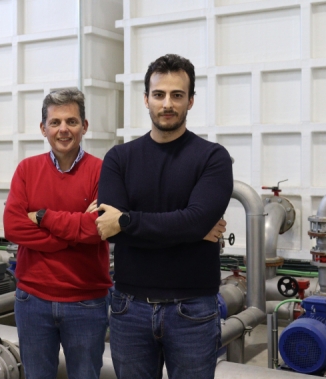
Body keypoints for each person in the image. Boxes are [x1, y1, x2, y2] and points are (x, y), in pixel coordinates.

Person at [95, 54, 233, 379]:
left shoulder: (212, 157)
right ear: (146, 99)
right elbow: (109, 230)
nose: (167, 103)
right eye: (159, 95)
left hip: (193, 309)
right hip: (129, 309)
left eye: (177, 95)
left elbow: (196, 220)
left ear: (191, 101)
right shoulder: (119, 158)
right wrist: (186, 228)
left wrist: (128, 220)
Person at [3, 88, 111, 379]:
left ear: (84, 126)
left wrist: (42, 216)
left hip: (86, 301)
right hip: (33, 300)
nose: (63, 129)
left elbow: (98, 229)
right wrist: (73, 232)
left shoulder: (103, 172)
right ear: (43, 128)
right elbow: (13, 226)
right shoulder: (27, 170)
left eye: (72, 121)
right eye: (55, 122)